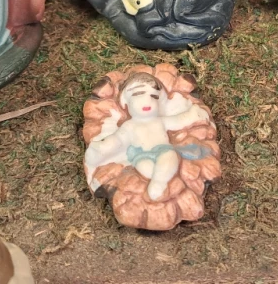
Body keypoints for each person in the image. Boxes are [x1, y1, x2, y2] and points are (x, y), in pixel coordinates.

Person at [84, 72, 211, 200]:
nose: (147, 101)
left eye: (154, 96)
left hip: (163, 151)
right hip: (141, 156)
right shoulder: (129, 126)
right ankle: (157, 184)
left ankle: (159, 184)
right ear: (125, 102)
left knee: (170, 156)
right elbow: (117, 141)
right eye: (138, 94)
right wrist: (101, 149)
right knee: (145, 167)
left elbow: (178, 121)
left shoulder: (159, 121)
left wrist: (193, 115)